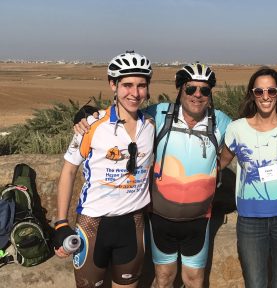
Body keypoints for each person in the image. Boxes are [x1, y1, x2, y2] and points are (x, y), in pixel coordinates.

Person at [75, 62, 232, 288]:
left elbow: (248, 133)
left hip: (199, 221)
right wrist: (85, 116)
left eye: (204, 90)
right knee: (164, 278)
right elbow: (125, 110)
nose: (197, 95)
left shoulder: (220, 121)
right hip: (160, 219)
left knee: (195, 280)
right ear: (180, 89)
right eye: (190, 89)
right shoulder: (159, 114)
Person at [53, 51, 155, 288]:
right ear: (113, 85)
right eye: (127, 85)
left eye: (141, 85)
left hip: (135, 222)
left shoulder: (151, 124)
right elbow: (68, 171)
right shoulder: (90, 125)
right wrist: (60, 223)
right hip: (93, 224)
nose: (135, 93)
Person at [220, 66, 277, 288]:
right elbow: (220, 163)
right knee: (255, 283)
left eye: (271, 91)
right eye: (259, 92)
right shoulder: (237, 129)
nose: (266, 97)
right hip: (250, 220)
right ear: (252, 94)